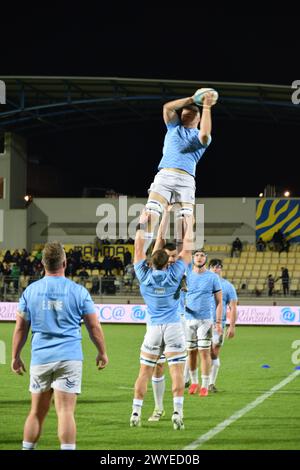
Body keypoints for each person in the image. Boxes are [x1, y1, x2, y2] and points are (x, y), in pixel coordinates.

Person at [11, 241, 108, 450]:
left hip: (41, 358)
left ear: (43, 264)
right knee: (65, 412)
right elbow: (94, 327)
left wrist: (15, 356)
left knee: (36, 412)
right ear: (64, 262)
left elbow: (20, 328)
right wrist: (102, 352)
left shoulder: (30, 291)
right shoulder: (78, 291)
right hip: (69, 357)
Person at [130, 211, 193, 430]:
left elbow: (138, 247)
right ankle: (177, 411)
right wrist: (189, 222)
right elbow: (187, 248)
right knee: (176, 371)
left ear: (152, 261)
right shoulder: (174, 274)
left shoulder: (144, 275)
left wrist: (142, 221)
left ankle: (136, 412)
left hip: (154, 327)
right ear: (168, 262)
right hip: (174, 326)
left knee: (144, 372)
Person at [142, 91, 216, 254]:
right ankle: (139, 259)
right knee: (149, 216)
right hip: (164, 175)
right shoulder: (173, 127)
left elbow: (205, 133)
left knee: (184, 224)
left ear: (198, 119)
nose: (185, 117)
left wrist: (206, 107)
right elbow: (167, 107)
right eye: (183, 114)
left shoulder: (201, 137)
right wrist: (192, 99)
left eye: (189, 114)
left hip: (186, 180)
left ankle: (183, 266)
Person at [185, 250, 222, 397]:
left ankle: (205, 385)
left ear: (205, 259)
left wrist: (218, 321)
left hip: (205, 320)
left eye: (202, 256)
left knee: (204, 352)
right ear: (193, 258)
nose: (199, 258)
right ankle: (194, 382)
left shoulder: (212, 277)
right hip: (188, 319)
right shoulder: (186, 276)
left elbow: (219, 301)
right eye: (197, 255)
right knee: (191, 353)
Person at [208, 259, 238, 392]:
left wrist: (232, 326)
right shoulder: (203, 283)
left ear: (221, 269)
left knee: (214, 352)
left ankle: (210, 384)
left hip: (219, 324)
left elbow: (233, 307)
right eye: (213, 266)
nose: (216, 269)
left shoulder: (228, 286)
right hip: (201, 322)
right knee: (196, 352)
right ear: (209, 268)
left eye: (218, 267)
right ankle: (189, 380)